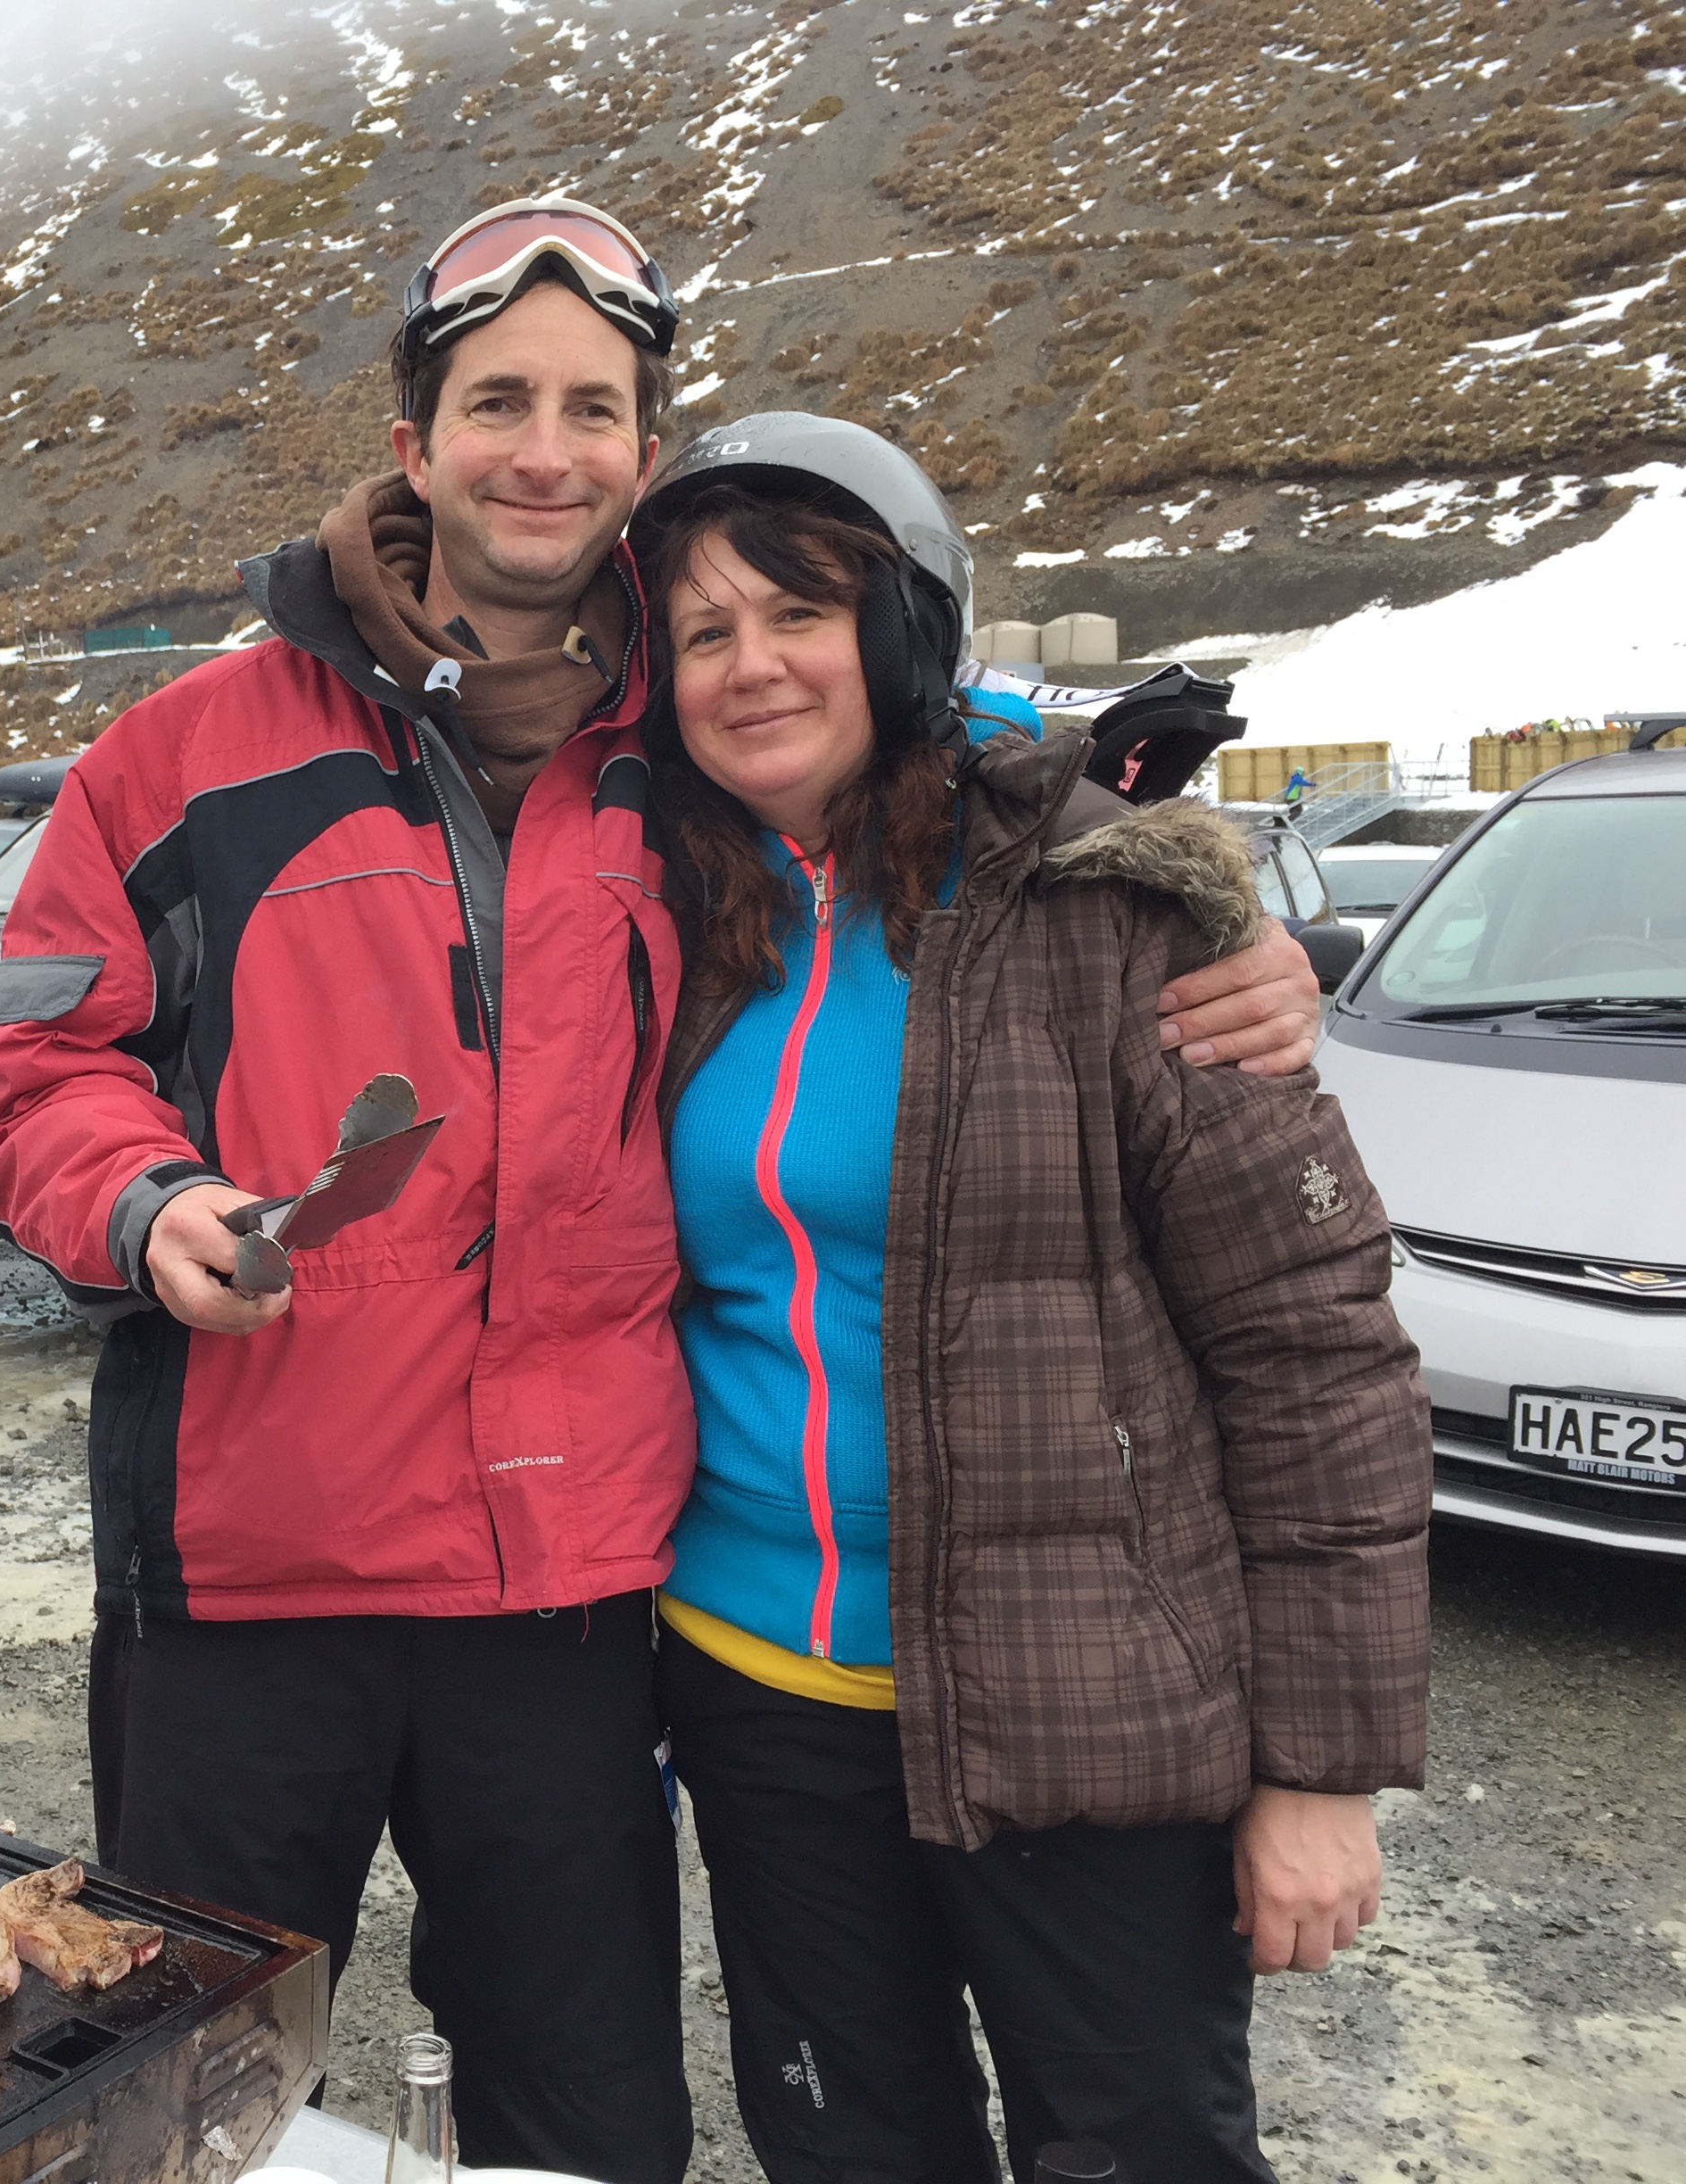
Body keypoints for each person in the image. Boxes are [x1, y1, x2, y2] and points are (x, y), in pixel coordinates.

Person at [0, 198, 1321, 2184]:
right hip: (252, 1584)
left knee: (590, 2126)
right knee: (179, 2112)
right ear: (414, 444)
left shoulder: (692, 734)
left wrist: (1205, 894)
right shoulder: (181, 760)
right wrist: (144, 1196)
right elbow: (28, 1077)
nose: (546, 448)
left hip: (570, 1596)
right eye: (497, 401)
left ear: (642, 452)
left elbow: (956, 734)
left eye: (593, 408)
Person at [627, 416, 1429, 2182]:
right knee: (851, 2154)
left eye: (802, 613)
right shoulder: (678, 915)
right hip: (761, 1696)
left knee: (1135, 2154)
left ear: (904, 630)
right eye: (703, 632)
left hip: (1082, 1702)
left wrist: (1320, 1772)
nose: (752, 666)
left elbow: (1313, 1348)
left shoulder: (1099, 901)